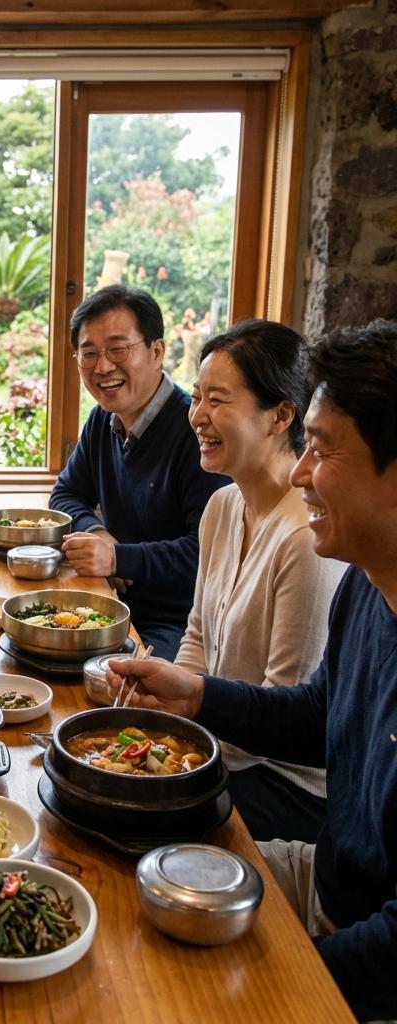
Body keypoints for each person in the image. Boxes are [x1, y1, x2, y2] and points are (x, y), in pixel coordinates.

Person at [107, 319, 397, 1023]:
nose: (300, 472)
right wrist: (196, 694)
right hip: (327, 879)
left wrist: (283, 988)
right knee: (115, 899)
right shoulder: (370, 584)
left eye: (323, 449)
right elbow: (317, 714)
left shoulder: (317, 550)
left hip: (365, 947)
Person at [178, 320, 344, 842]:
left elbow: (281, 712)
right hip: (220, 748)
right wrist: (169, 724)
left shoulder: (305, 537)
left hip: (284, 781)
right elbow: (198, 636)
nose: (197, 416)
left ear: (280, 415)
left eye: (217, 400)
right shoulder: (222, 506)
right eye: (197, 397)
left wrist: (181, 750)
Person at [49, 285, 229, 660]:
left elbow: (206, 552)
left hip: (178, 624)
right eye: (89, 353)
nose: (102, 367)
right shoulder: (102, 420)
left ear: (156, 351)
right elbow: (65, 493)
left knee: (113, 690)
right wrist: (97, 532)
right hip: (108, 603)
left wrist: (118, 559)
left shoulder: (197, 433)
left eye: (118, 349)